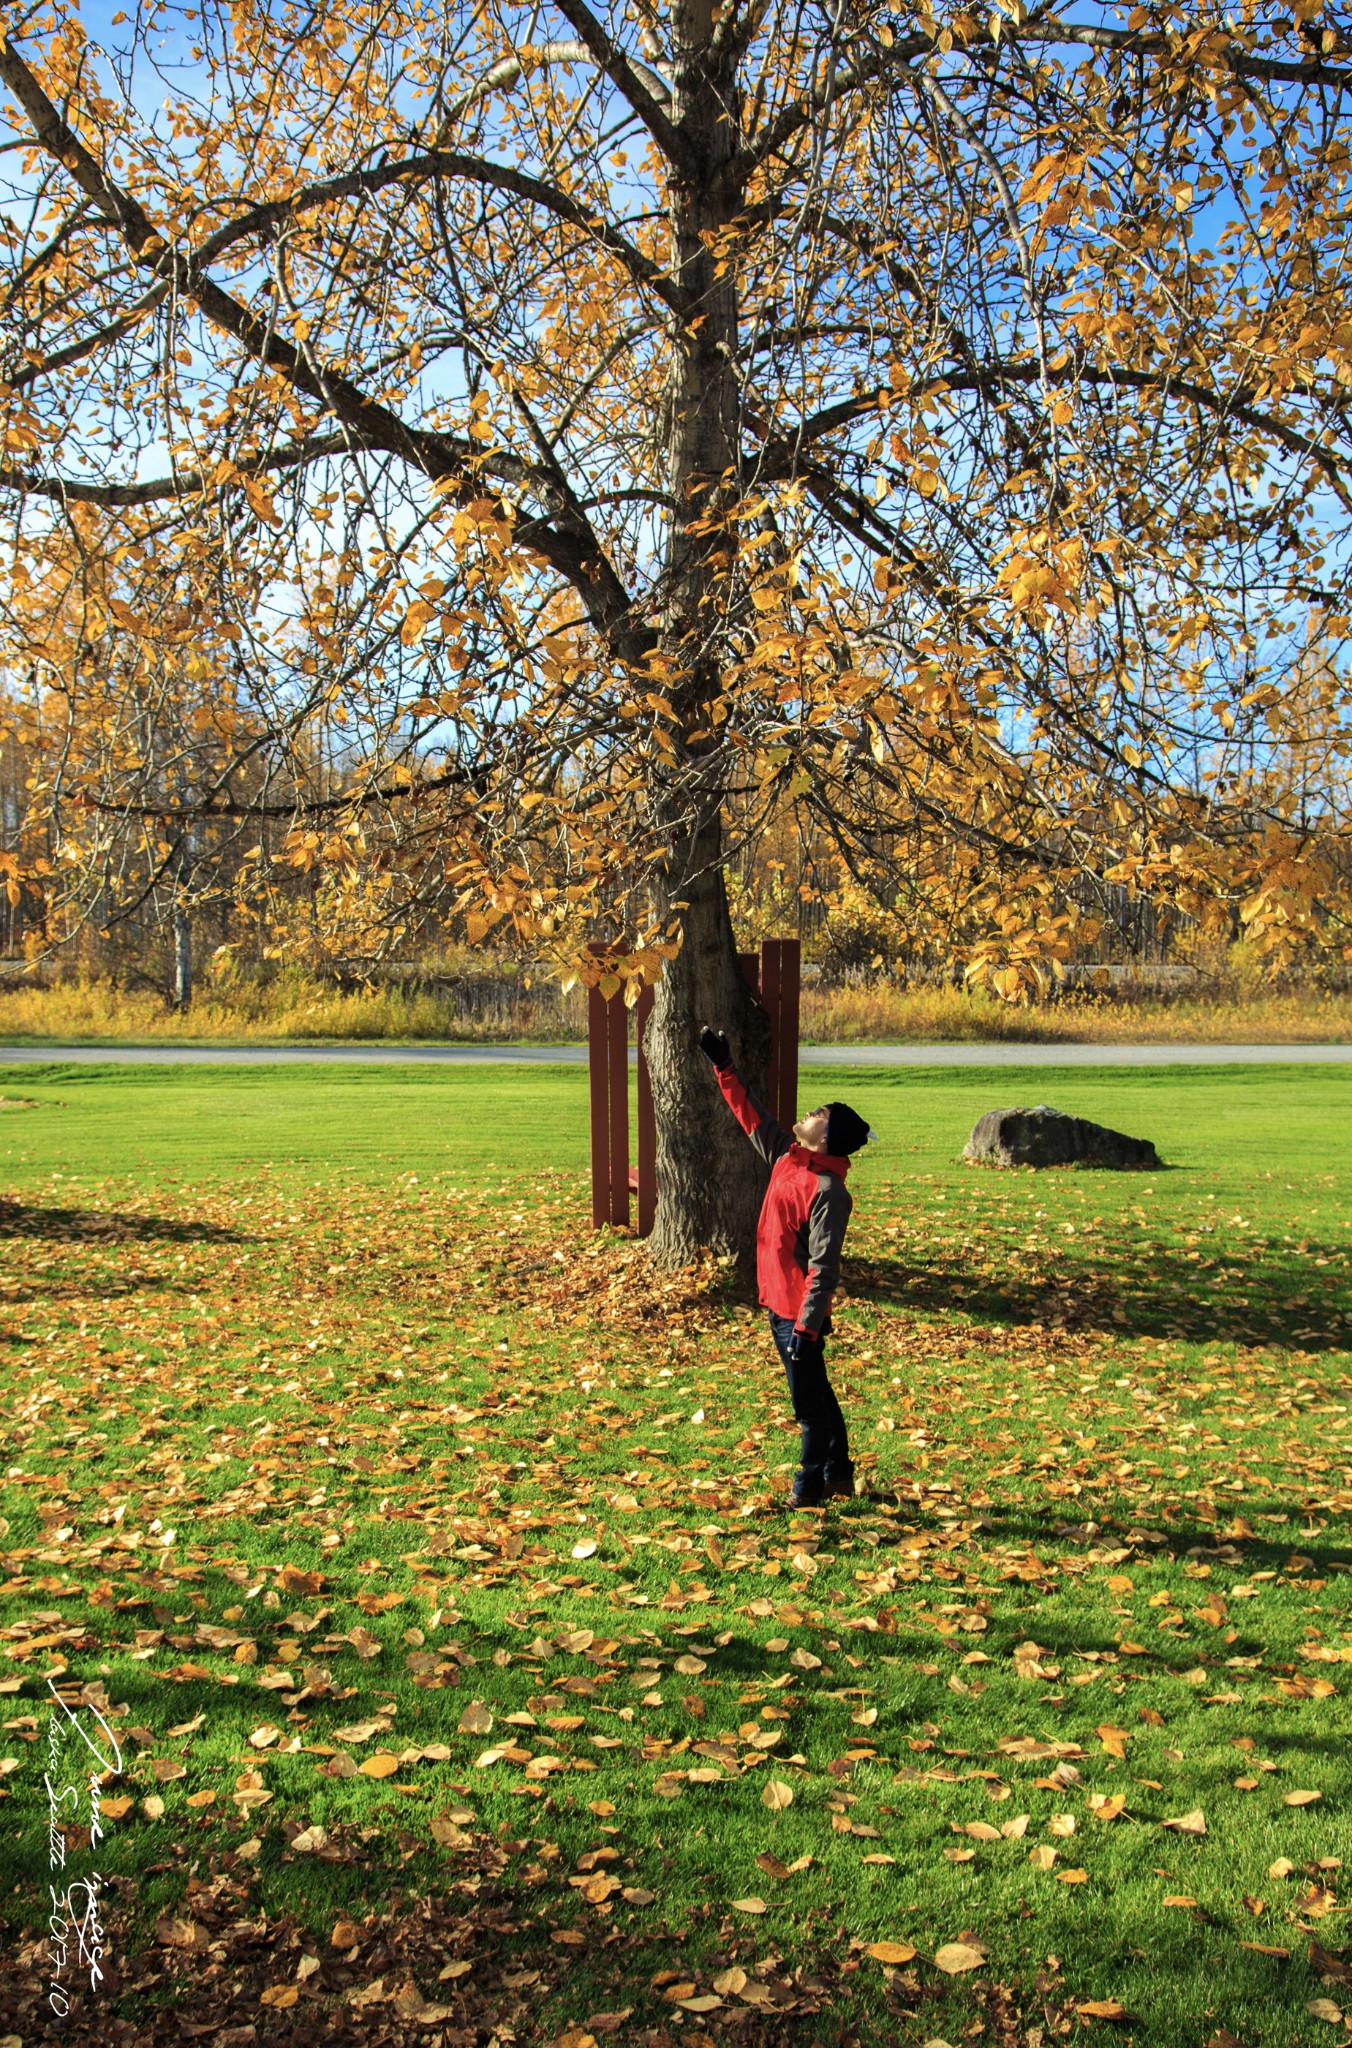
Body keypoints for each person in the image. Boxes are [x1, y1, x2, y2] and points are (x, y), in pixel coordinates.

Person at [699, 1025, 873, 1508]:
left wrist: (807, 1326)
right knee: (817, 1394)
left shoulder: (829, 1193)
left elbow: (823, 1269)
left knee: (808, 1406)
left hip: (798, 1317)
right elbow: (750, 1115)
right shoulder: (787, 1158)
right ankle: (839, 1473)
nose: (812, 1112)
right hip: (780, 1305)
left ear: (827, 1139)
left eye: (821, 1115)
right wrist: (724, 1067)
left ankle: (809, 1489)